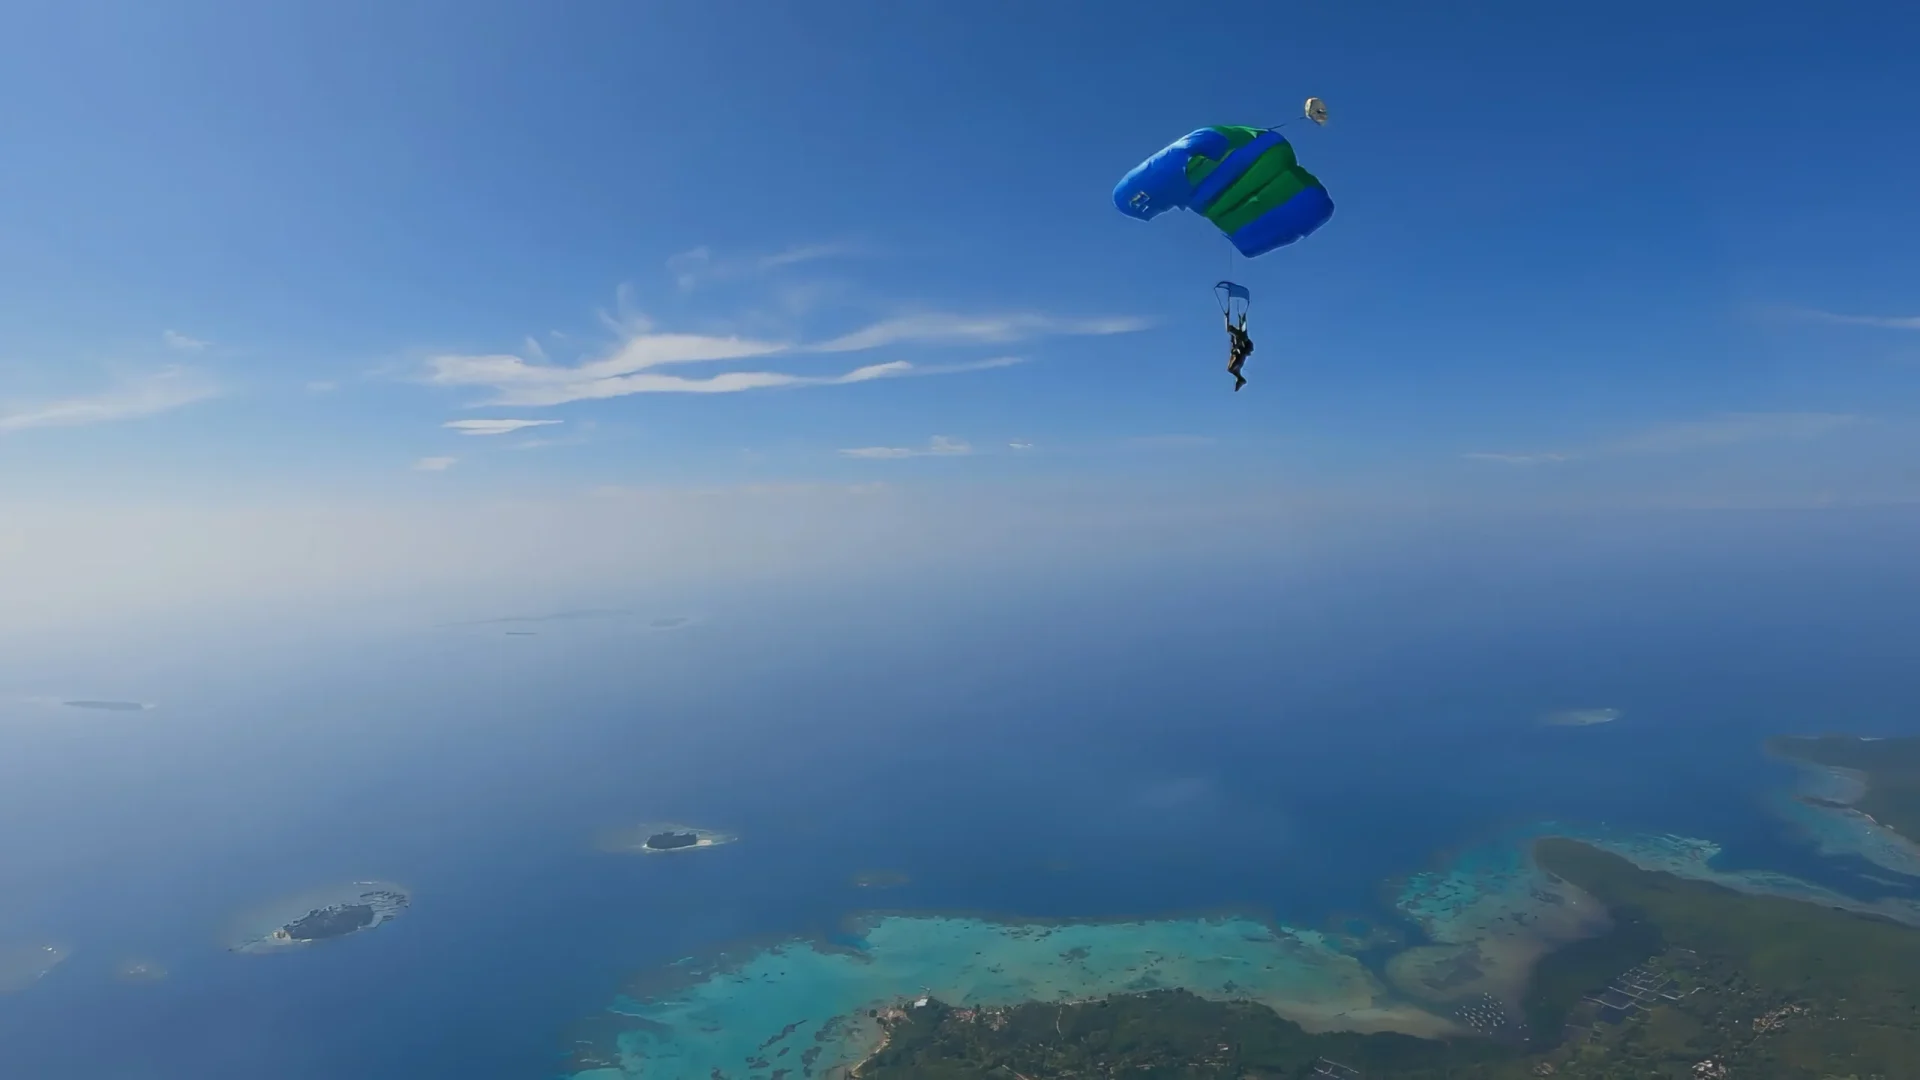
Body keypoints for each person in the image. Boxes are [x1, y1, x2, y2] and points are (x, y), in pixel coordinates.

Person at [1225, 313, 1253, 392]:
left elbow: (1238, 344)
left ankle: (1240, 380)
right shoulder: (1234, 367)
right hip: (1243, 348)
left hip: (1243, 348)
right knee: (1230, 369)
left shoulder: (1233, 368)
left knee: (1230, 369)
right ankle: (1240, 380)